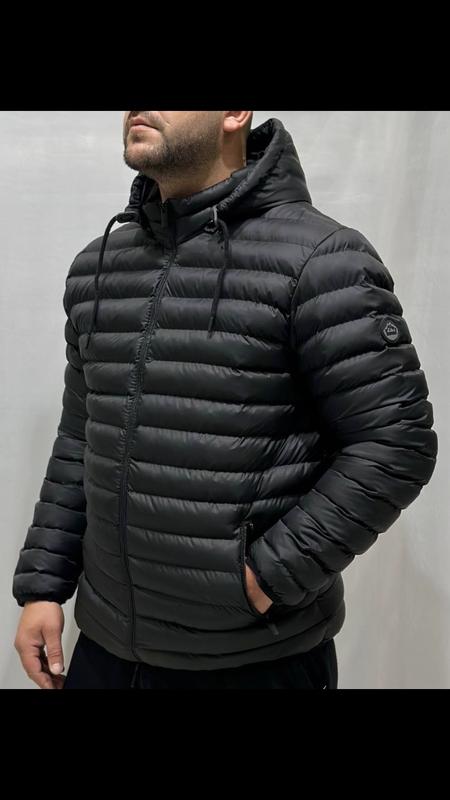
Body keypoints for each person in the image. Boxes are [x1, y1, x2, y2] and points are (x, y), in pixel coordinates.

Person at [12, 112, 438, 690]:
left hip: (251, 661)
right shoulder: (100, 268)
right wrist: (44, 586)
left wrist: (265, 579)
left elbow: (396, 443)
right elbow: (79, 435)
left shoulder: (322, 260)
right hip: (105, 651)